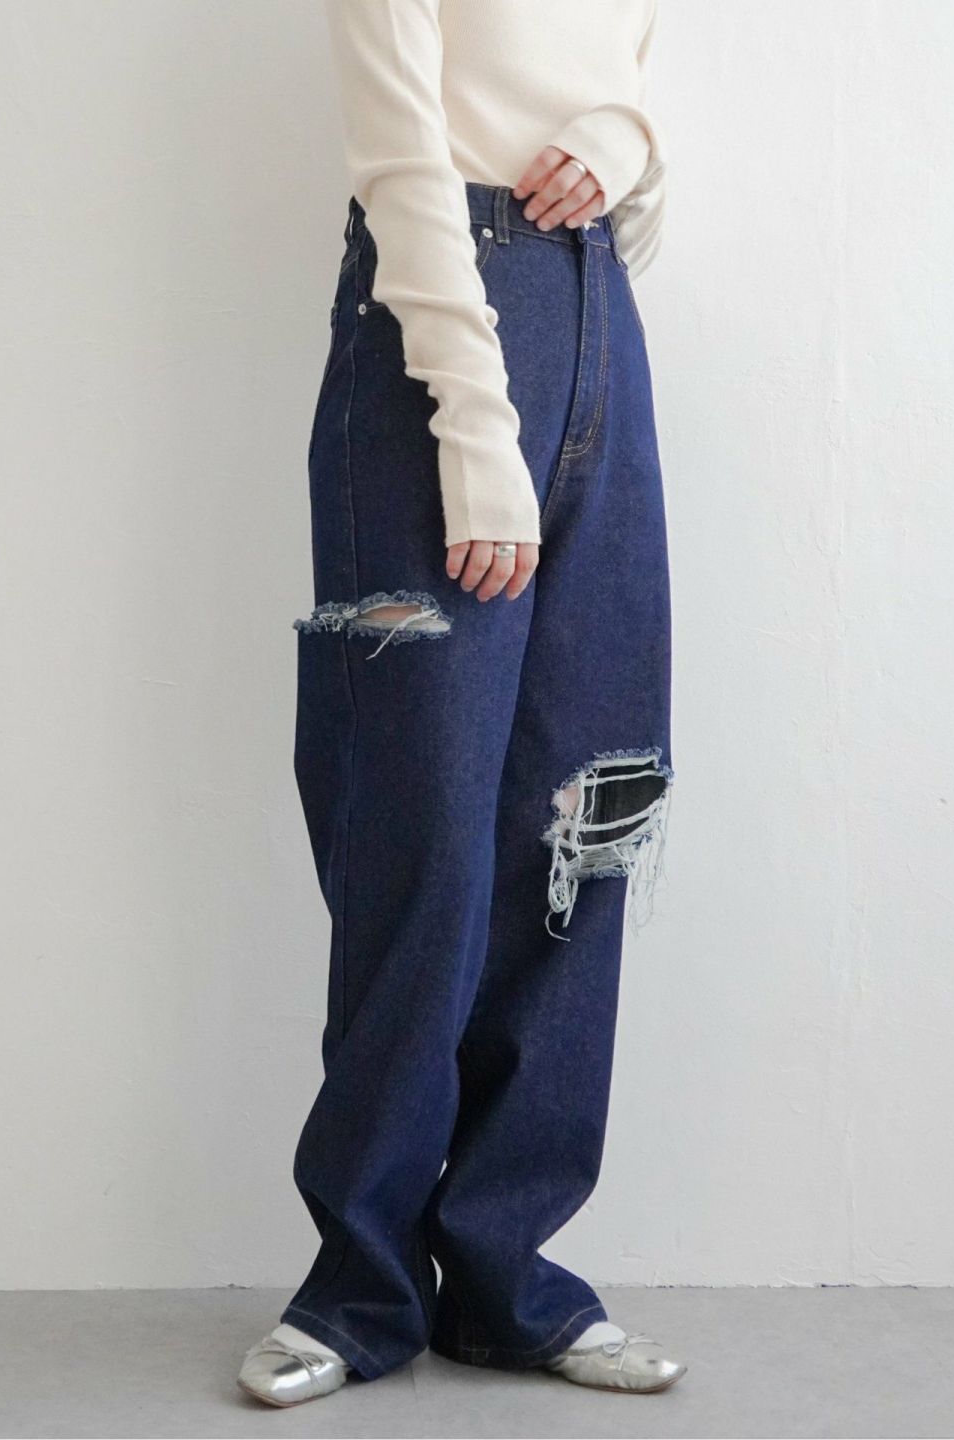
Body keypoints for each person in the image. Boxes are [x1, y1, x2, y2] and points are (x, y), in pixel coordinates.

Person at [238, 0, 679, 1407]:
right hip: (432, 342)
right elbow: (400, 154)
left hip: (597, 316)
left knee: (585, 819)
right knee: (416, 824)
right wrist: (474, 428)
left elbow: (636, 114)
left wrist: (623, 144)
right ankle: (361, 1283)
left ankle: (504, 1270)